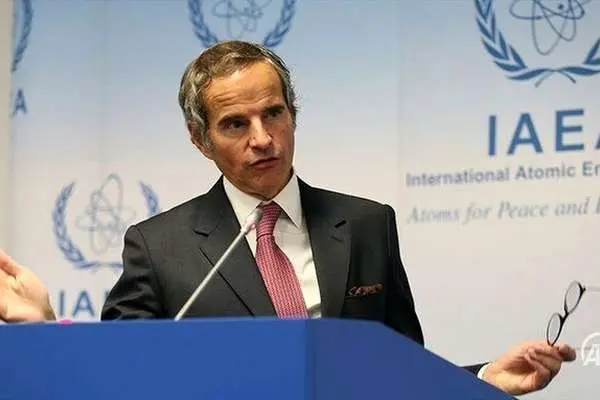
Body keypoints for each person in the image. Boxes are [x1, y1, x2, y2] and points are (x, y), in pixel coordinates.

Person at [0, 40, 575, 396]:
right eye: (235, 124)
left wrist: (484, 379)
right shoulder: (159, 246)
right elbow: (117, 376)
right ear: (200, 139)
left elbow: (401, 372)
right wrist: (45, 327)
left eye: (273, 114)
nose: (262, 138)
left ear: (292, 114)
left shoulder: (367, 224)